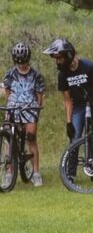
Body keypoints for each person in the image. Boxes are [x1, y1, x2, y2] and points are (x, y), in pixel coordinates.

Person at [42, 38, 93, 176]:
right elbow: (68, 100)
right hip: (79, 107)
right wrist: (69, 122)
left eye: (59, 58)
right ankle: (71, 174)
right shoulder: (62, 75)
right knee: (75, 138)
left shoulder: (88, 67)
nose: (57, 61)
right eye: (55, 59)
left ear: (68, 55)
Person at [2, 42, 46, 186]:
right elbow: (8, 94)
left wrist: (36, 109)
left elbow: (39, 95)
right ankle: (9, 172)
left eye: (24, 62)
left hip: (30, 108)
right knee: (9, 138)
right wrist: (12, 106)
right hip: (13, 108)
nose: (21, 65)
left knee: (31, 138)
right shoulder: (9, 75)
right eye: (19, 62)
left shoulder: (36, 75)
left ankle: (36, 173)